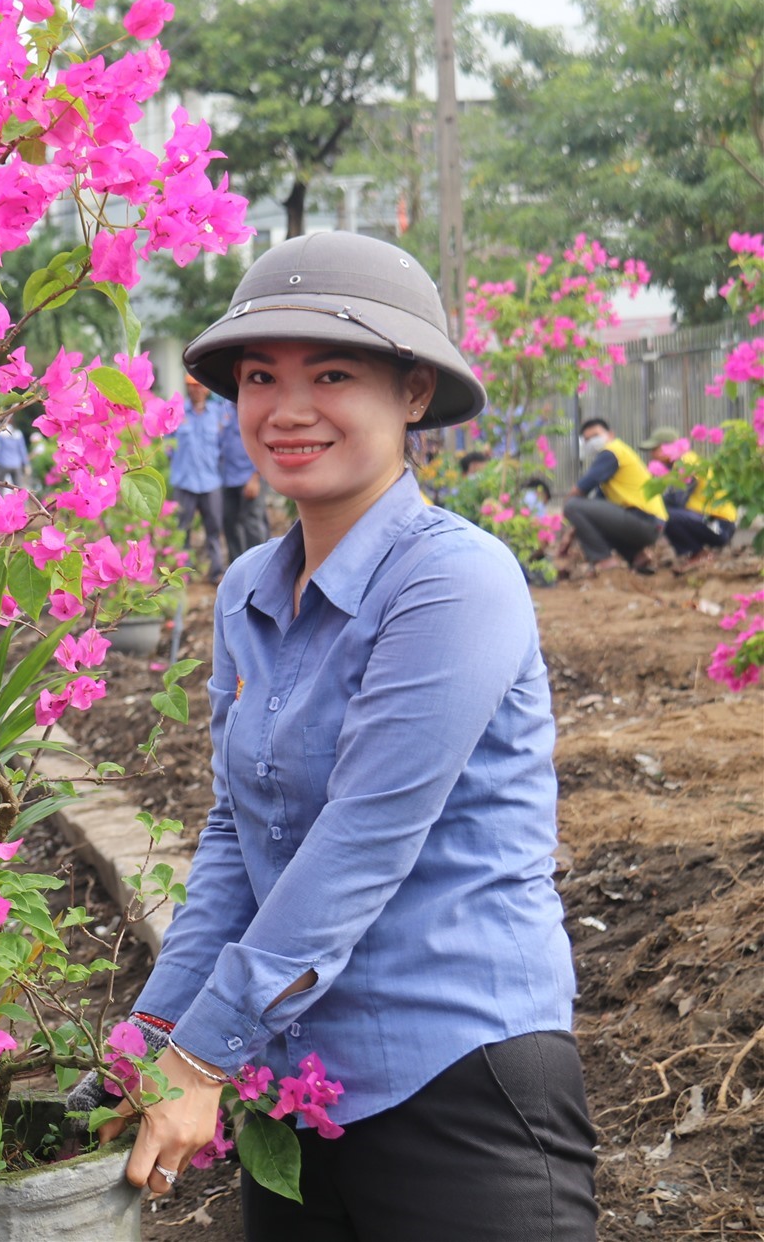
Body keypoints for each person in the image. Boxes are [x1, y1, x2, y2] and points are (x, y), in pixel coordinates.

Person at [77, 232, 595, 1240]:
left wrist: (197, 1057)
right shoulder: (246, 591)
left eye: (332, 373)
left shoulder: (454, 579)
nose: (288, 407)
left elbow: (361, 839)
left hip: (459, 1078)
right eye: (260, 376)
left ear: (410, 393)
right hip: (297, 1088)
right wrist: (149, 1033)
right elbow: (237, 836)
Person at [563, 417, 665, 575]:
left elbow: (580, 489)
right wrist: (573, 529)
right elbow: (595, 508)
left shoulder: (612, 452)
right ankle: (636, 556)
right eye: (587, 439)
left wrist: (566, 510)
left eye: (596, 436)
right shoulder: (612, 466)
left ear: (610, 434)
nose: (592, 442)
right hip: (650, 523)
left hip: (645, 520)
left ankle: (604, 560)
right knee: (590, 517)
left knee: (572, 505)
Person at [642, 427, 738, 566]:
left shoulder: (687, 464)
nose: (652, 455)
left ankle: (698, 554)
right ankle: (696, 553)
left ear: (667, 448)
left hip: (719, 525)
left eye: (655, 450)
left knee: (665, 513)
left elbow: (677, 500)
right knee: (665, 512)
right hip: (710, 521)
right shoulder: (681, 463)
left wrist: (647, 504)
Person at [169, 377, 228, 581]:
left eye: (200, 386)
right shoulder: (177, 413)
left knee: (214, 529)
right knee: (181, 529)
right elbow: (167, 444)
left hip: (210, 482)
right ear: (187, 387)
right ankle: (182, 573)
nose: (197, 390)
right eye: (192, 386)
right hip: (184, 482)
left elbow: (223, 447)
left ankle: (216, 571)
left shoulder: (217, 414)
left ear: (206, 389)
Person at [215, 395, 268, 563]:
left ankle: (261, 565)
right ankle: (237, 566)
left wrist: (256, 477)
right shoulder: (225, 410)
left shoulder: (258, 410)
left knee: (252, 522)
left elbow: (266, 445)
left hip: (250, 477)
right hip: (228, 478)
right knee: (230, 522)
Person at [0, 418, 32, 489]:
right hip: (16, 465)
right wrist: (26, 464)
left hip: (3, 464)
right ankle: (23, 500)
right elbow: (22, 450)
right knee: (19, 487)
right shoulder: (18, 434)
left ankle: (1, 499)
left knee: (0, 487)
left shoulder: (0, 433)